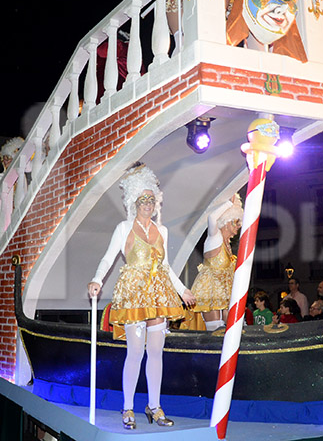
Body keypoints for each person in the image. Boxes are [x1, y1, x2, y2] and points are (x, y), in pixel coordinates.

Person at [88, 163, 195, 430]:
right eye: (143, 199)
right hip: (134, 295)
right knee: (135, 353)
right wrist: (97, 279)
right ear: (135, 202)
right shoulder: (124, 228)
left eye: (151, 199)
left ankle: (155, 406)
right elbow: (108, 257)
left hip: (158, 295)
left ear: (156, 202)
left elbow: (166, 266)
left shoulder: (163, 231)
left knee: (156, 353)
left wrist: (182, 290)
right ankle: (128, 408)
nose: (147, 204)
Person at [190, 195, 243, 331]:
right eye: (236, 222)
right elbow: (212, 218)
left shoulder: (228, 244)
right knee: (216, 332)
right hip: (210, 292)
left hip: (224, 294)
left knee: (233, 329)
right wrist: (228, 204)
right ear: (226, 221)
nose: (238, 226)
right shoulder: (215, 236)